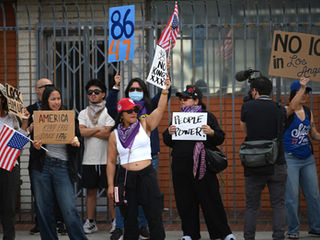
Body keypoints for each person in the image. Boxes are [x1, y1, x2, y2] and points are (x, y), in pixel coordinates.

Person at [163, 85, 236, 240]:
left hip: (204, 169)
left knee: (211, 201)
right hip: (181, 168)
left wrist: (211, 132)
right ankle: (189, 234)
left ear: (196, 100)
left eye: (186, 98)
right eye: (180, 98)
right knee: (185, 202)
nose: (182, 101)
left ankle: (222, 234)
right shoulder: (178, 118)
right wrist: (169, 133)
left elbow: (220, 137)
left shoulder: (207, 116)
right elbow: (168, 141)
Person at [106, 68, 171, 240]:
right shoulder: (114, 135)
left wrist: (165, 91)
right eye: (130, 111)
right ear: (121, 115)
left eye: (135, 110)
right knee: (129, 219)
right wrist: (111, 185)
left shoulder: (144, 124)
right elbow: (111, 162)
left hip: (146, 175)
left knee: (154, 217)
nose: (134, 113)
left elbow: (159, 110)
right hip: (125, 177)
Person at [30, 85, 88, 240]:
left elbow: (78, 144)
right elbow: (33, 148)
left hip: (62, 167)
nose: (56, 102)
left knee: (69, 209)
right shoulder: (39, 118)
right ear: (46, 101)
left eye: (58, 98)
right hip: (42, 168)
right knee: (44, 210)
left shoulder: (68, 117)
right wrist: (36, 146)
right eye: (52, 99)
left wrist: (76, 143)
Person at [240, 76, 287, 240]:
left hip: (254, 163)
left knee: (252, 206)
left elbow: (244, 129)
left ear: (254, 91)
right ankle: (279, 236)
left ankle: (249, 237)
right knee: (278, 204)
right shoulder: (279, 108)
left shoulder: (247, 107)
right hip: (277, 162)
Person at [26, 78, 67, 235]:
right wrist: (29, 125)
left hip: (59, 160)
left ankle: (60, 221)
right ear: (38, 90)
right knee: (40, 195)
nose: (50, 89)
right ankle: (41, 223)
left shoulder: (62, 110)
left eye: (52, 86)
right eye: (46, 87)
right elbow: (23, 135)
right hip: (39, 158)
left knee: (60, 194)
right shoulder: (29, 110)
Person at [283, 77, 320, 239]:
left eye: (307, 92)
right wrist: (301, 87)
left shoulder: (308, 112)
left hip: (307, 159)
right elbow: (292, 106)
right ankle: (293, 230)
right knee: (292, 197)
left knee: (313, 194)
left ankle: (316, 227)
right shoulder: (286, 110)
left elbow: (314, 134)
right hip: (290, 158)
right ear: (295, 93)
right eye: (303, 92)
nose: (306, 95)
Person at [78, 79, 116, 234]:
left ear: (104, 94)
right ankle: (91, 222)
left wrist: (91, 129)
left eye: (97, 92)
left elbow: (109, 133)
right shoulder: (82, 113)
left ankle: (115, 222)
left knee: (111, 192)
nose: (93, 95)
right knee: (91, 192)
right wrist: (100, 129)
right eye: (90, 92)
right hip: (89, 159)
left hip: (108, 159)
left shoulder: (110, 111)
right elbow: (81, 132)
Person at [0, 83, 29, 240]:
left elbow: (19, 144)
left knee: (8, 208)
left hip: (9, 167)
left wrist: (25, 122)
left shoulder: (13, 119)